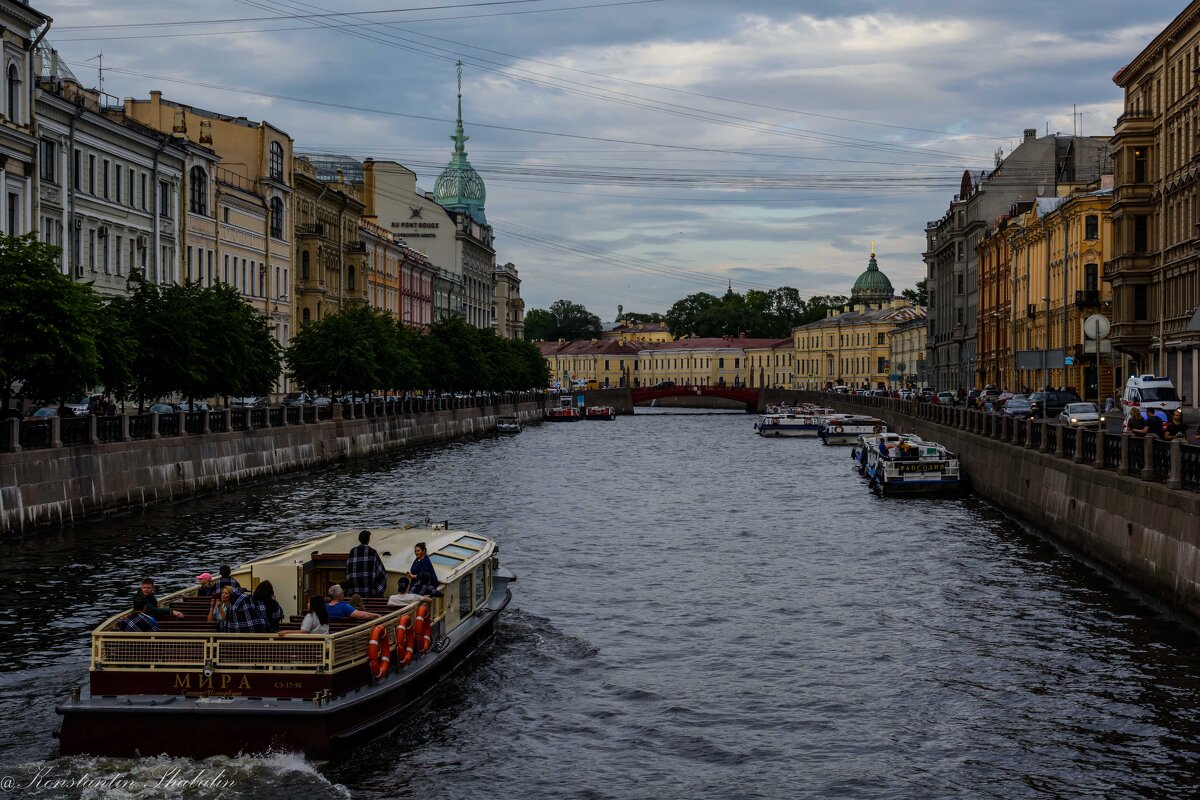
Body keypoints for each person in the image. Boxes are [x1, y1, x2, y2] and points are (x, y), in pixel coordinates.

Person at [345, 530, 387, 598]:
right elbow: (382, 573)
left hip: (354, 594)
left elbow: (348, 573)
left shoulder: (352, 552)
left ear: (359, 539)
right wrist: (379, 592)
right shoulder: (372, 552)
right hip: (369, 594)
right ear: (368, 540)